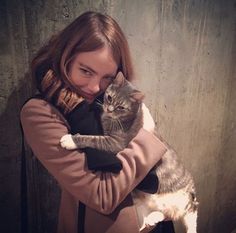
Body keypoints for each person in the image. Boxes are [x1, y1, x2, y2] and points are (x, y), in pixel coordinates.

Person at [20, 11, 175, 233]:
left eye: (107, 77)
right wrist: (146, 135)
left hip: (156, 216)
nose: (94, 88)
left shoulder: (112, 98)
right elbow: (103, 195)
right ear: (66, 58)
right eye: (85, 71)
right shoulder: (41, 113)